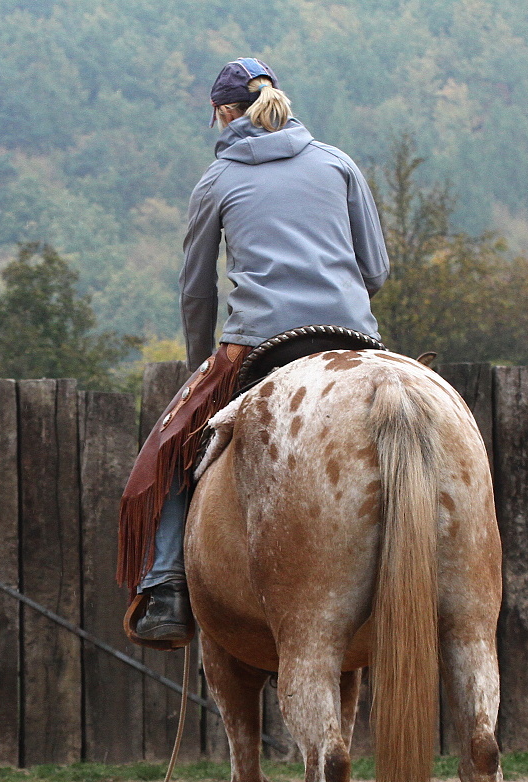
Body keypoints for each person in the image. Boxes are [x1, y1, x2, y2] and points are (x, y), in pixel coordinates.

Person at [119, 57, 389, 644]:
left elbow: (196, 289)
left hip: (259, 343)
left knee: (167, 451)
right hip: (355, 336)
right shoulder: (337, 163)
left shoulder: (216, 180)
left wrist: (201, 364)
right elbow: (377, 269)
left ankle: (165, 588)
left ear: (222, 113)